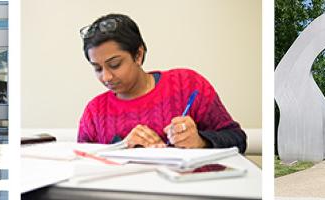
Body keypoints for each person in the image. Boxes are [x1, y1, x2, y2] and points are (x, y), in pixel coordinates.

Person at [77, 14, 246, 152]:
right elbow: (82, 161)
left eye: (115, 65)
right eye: (97, 68)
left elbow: (238, 139)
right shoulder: (94, 111)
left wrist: (201, 141)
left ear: (138, 55)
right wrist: (120, 147)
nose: (106, 77)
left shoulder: (187, 85)